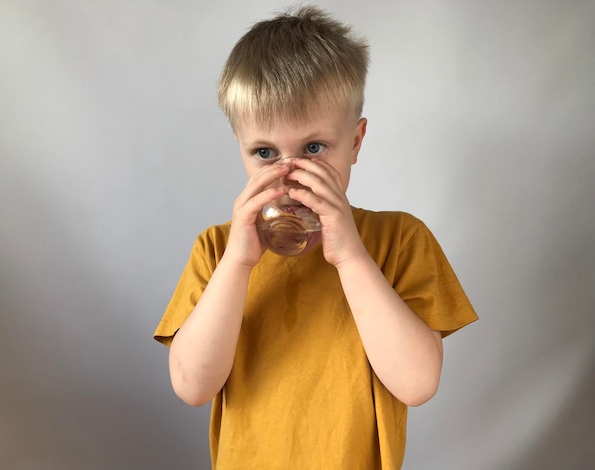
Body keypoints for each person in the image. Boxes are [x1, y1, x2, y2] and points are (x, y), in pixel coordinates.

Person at [154, 5, 478, 469]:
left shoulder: (399, 239)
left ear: (355, 143)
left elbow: (417, 383)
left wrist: (350, 256)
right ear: (241, 151)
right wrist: (239, 263)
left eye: (313, 148)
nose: (290, 173)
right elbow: (192, 386)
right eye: (265, 152)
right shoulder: (218, 249)